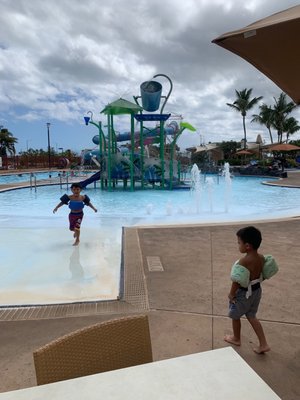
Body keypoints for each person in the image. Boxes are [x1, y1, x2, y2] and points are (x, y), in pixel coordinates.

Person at [224, 226, 278, 354]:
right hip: (256, 291)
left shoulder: (244, 261)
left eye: (239, 243)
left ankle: (236, 338)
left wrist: (231, 294)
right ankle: (263, 343)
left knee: (235, 316)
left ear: (247, 246)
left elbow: (237, 280)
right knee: (252, 316)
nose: (238, 245)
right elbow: (263, 275)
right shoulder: (261, 258)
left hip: (243, 293)